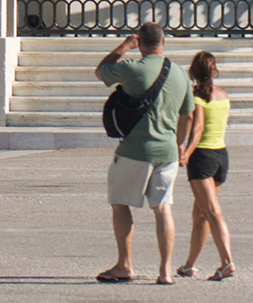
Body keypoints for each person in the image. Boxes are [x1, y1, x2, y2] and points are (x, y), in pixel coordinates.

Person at [95, 24, 196, 286]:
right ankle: (165, 271)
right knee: (163, 207)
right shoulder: (180, 73)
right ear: (164, 41)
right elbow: (188, 115)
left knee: (120, 203)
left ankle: (125, 265)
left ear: (140, 43)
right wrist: (180, 143)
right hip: (168, 150)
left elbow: (101, 71)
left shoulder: (133, 68)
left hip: (135, 150)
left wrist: (124, 46)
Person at [176, 51, 237, 281]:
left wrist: (185, 152)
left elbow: (197, 127)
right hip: (221, 156)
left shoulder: (197, 96)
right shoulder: (223, 95)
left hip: (203, 157)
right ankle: (189, 265)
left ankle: (227, 261)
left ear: (193, 72)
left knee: (211, 212)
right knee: (200, 213)